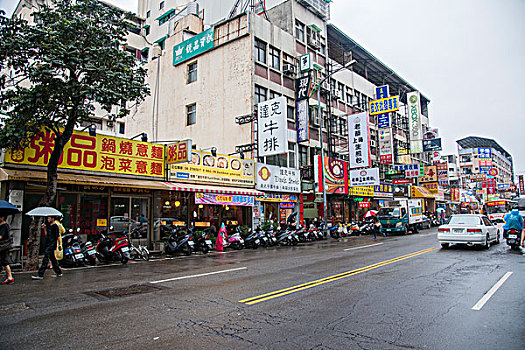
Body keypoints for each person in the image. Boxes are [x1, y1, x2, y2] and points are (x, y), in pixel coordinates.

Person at [0, 216, 14, 284]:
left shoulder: (4, 226)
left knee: (4, 261)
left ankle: (10, 277)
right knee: (4, 261)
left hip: (3, 246)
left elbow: (0, 236)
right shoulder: (3, 225)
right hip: (3, 246)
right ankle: (9, 277)